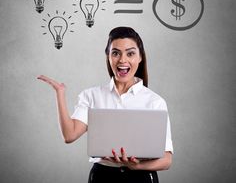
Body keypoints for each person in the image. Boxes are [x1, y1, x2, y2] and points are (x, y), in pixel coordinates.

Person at [37, 26, 173, 183]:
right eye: (115, 53)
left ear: (140, 57)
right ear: (108, 57)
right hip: (102, 176)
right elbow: (69, 135)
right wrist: (60, 93)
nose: (122, 60)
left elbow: (167, 160)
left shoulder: (155, 102)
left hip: (141, 177)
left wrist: (135, 166)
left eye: (130, 53)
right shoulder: (92, 96)